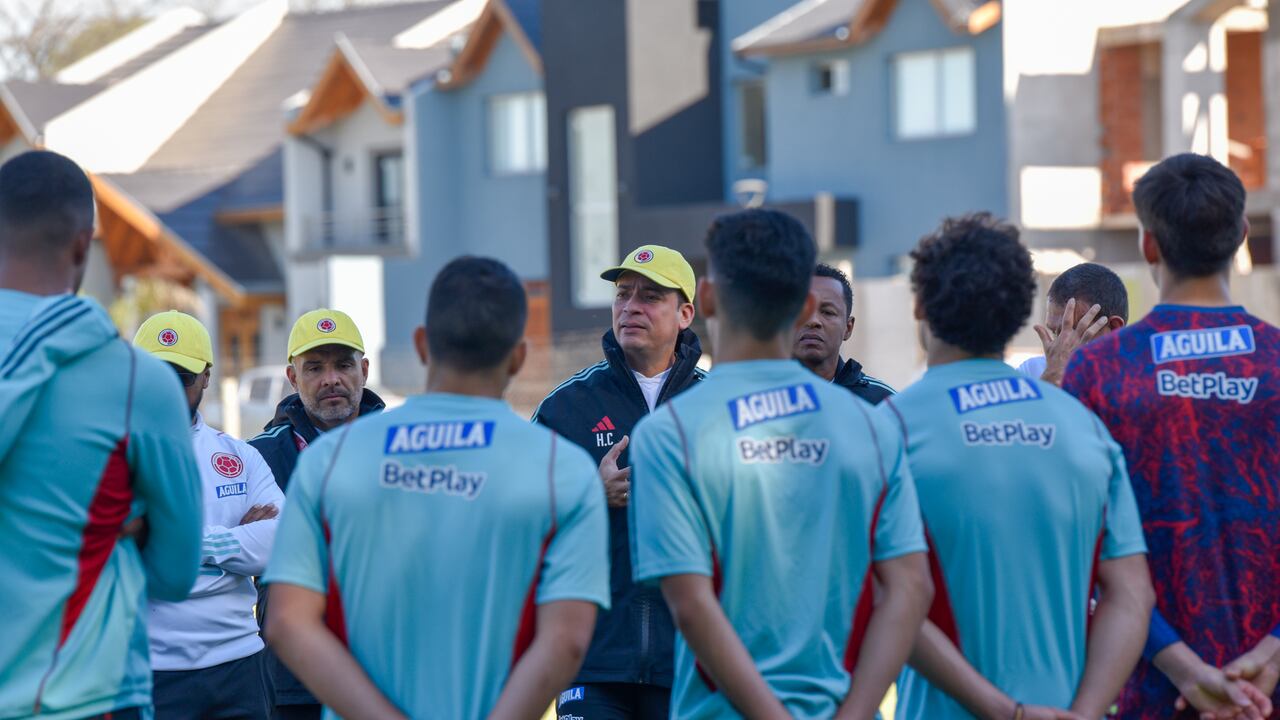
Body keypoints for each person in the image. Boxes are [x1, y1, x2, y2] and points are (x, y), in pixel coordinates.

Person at [263, 256, 609, 718]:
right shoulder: (560, 468)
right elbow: (565, 641)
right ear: (520, 356)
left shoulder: (329, 460)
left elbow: (287, 623)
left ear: (422, 345)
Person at [629, 208, 933, 718]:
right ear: (807, 304)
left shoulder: (668, 433)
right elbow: (909, 587)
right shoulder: (873, 426)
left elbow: (690, 605)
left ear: (704, 297)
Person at [882, 213, 1154, 720]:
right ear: (1017, 316)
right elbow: (1131, 592)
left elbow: (894, 595)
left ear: (919, 305)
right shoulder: (1086, 430)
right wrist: (1085, 711)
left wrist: (1006, 711)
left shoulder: (888, 430)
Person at [1063, 154, 1280, 720]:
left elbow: (1082, 545)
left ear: (1149, 245)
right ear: (1239, 236)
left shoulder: (1098, 372)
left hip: (1154, 691)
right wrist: (1271, 654)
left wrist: (1181, 665)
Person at [0, 150, 202, 719]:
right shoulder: (139, 380)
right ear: (83, 246)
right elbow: (174, 574)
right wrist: (113, 527)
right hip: (86, 695)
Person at [533, 245, 704, 718]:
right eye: (623, 294)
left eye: (650, 296)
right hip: (593, 661)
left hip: (694, 663)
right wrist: (592, 495)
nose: (631, 307)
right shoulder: (565, 408)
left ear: (685, 313)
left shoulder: (716, 408)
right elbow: (522, 521)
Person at [134, 311, 282, 720]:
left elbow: (282, 542)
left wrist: (173, 543)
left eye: (179, 377)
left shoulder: (239, 454)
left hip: (240, 662)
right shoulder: (112, 452)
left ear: (206, 377)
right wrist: (236, 539)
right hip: (152, 666)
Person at [249, 308, 385, 719]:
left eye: (343, 365)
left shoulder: (401, 448)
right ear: (293, 377)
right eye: (315, 368)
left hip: (385, 671)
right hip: (295, 682)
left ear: (363, 370)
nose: (331, 379)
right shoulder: (258, 458)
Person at [793, 263, 895, 403]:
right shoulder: (758, 397)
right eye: (802, 311)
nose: (813, 321)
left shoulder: (883, 402)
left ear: (848, 328)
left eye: (827, 312)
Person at [1017, 262, 1129, 385]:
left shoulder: (1140, 381)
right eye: (1055, 332)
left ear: (1114, 328)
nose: (1062, 346)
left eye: (1074, 332)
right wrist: (1052, 377)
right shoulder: (1032, 372)